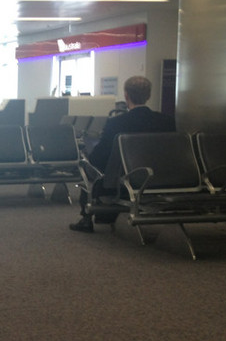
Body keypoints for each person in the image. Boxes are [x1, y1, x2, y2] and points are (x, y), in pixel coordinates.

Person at [69, 75, 175, 233]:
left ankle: (87, 218)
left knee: (87, 167)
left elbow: (100, 156)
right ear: (149, 95)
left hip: (124, 182)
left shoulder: (116, 123)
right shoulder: (166, 121)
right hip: (161, 178)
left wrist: (88, 159)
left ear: (126, 95)